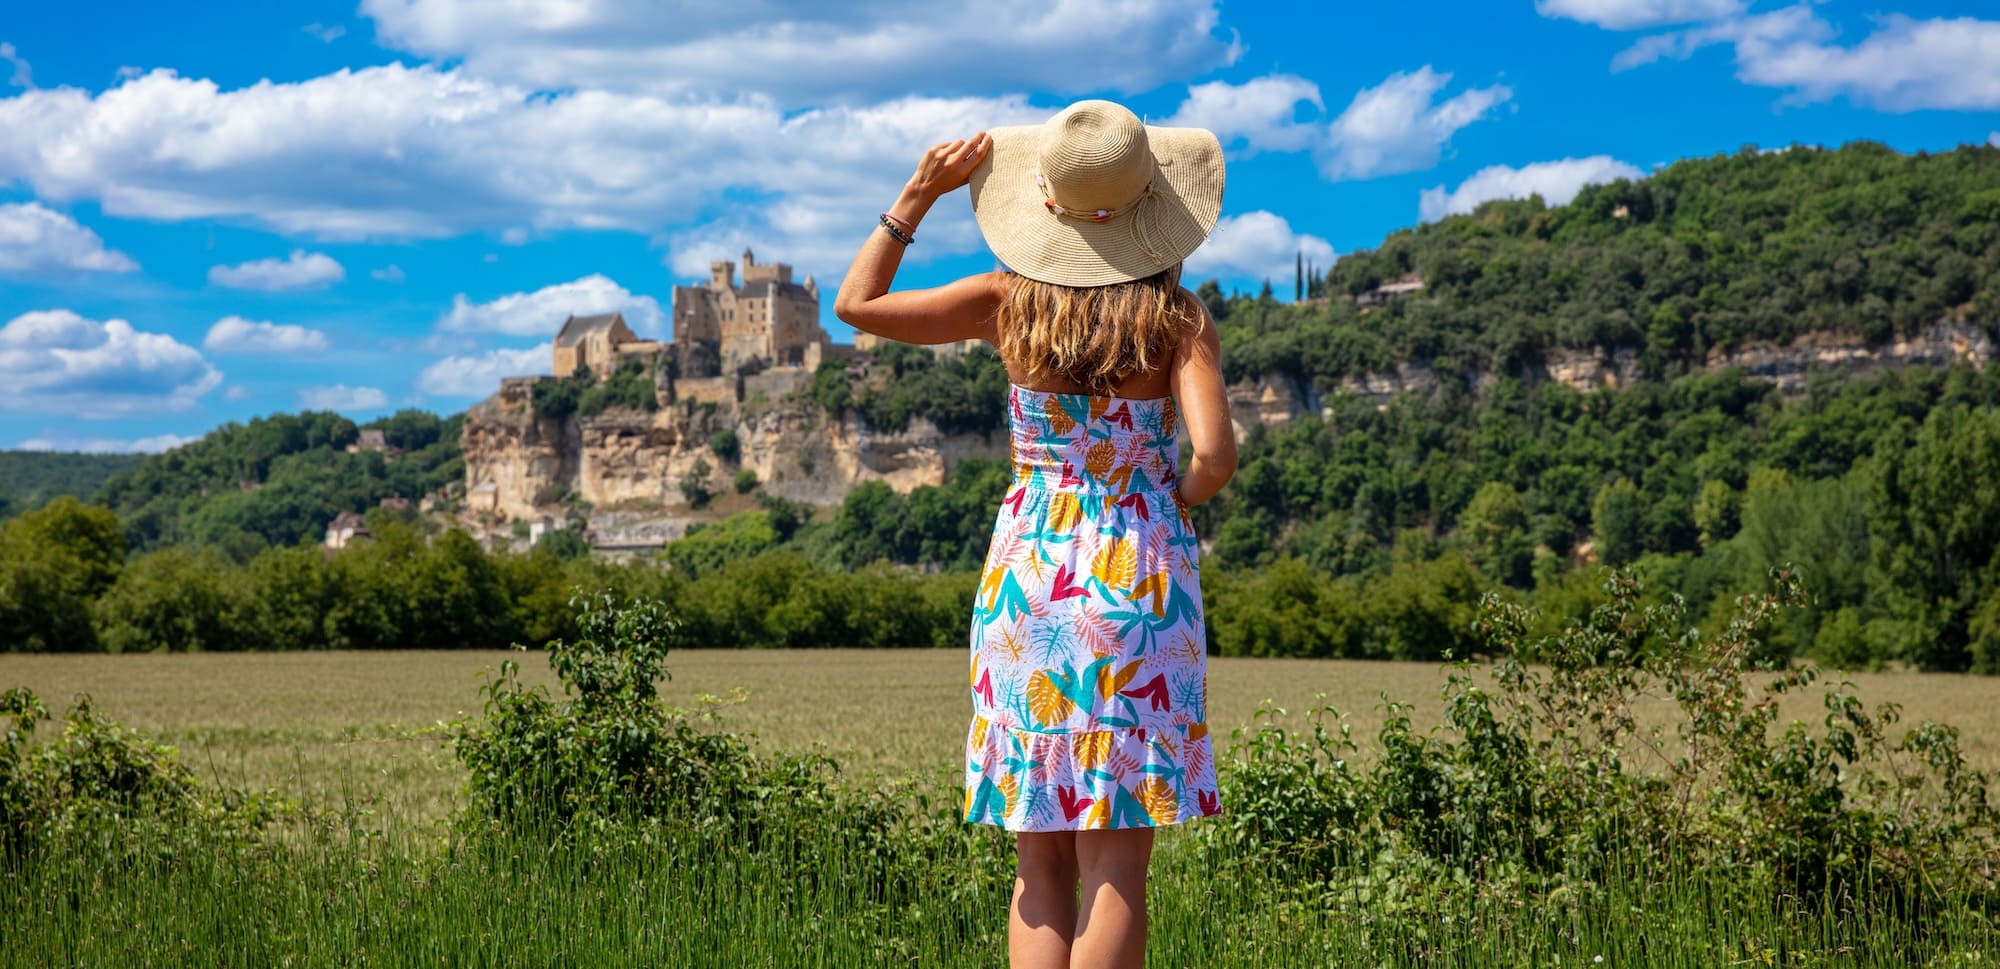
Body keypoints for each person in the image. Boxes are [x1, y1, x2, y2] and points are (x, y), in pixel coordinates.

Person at [834, 99, 1234, 969]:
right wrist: (1163, 501)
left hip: (1030, 583)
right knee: (1117, 861)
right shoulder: (1178, 316)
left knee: (1038, 856)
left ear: (1047, 202)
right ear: (1150, 204)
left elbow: (857, 304)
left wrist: (916, 195)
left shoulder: (1005, 302)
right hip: (1138, 578)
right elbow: (1214, 456)